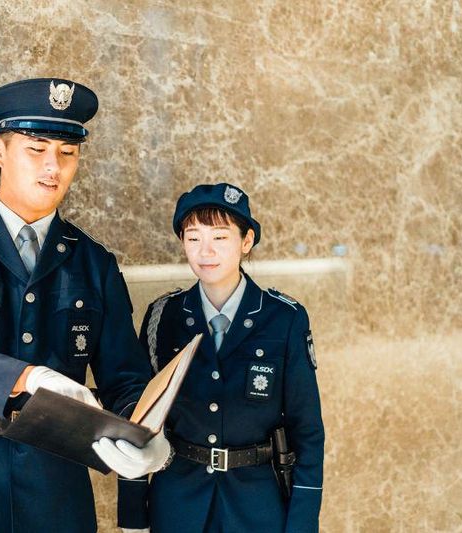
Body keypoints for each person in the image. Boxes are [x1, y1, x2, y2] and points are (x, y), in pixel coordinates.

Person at [0, 78, 171, 533]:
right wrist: (28, 377)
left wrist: (148, 437)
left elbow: (124, 377)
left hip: (56, 491)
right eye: (36, 149)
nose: (52, 167)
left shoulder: (93, 262)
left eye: (67, 153)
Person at [116, 183, 324, 533]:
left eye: (220, 237)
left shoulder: (284, 318)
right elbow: (138, 419)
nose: (205, 251)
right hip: (178, 503)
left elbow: (307, 431)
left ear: (246, 241)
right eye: (193, 238)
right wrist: (133, 518)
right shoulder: (163, 317)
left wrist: (302, 525)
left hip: (257, 507)